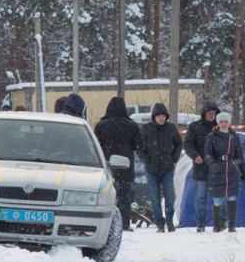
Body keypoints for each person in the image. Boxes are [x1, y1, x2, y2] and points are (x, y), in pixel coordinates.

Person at [94, 97, 141, 231]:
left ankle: (107, 225)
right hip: (126, 166)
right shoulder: (132, 126)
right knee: (124, 197)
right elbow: (138, 145)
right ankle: (124, 223)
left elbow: (96, 145)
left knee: (106, 196)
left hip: (106, 166)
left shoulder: (101, 125)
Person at [137, 103, 183, 233]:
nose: (161, 118)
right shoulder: (146, 129)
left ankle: (169, 221)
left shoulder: (171, 128)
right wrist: (146, 159)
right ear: (154, 117)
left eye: (163, 116)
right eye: (159, 116)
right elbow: (139, 147)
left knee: (169, 196)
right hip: (151, 169)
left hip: (167, 168)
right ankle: (159, 223)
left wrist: (174, 159)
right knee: (154, 198)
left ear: (166, 117)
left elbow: (179, 144)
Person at [203, 112, 245, 233]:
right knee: (217, 199)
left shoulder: (234, 136)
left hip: (231, 171)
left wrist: (241, 169)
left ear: (229, 122)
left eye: (226, 121)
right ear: (218, 123)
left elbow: (239, 155)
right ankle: (217, 225)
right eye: (221, 121)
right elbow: (207, 154)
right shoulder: (212, 136)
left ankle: (232, 225)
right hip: (217, 171)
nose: (223, 124)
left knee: (232, 198)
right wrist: (213, 164)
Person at [183, 102, 220, 232]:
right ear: (204, 114)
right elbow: (188, 144)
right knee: (200, 197)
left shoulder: (220, 126)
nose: (211, 115)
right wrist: (195, 156)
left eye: (213, 113)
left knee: (219, 197)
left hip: (218, 168)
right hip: (200, 167)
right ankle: (201, 223)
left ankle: (220, 223)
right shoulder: (194, 127)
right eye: (209, 113)